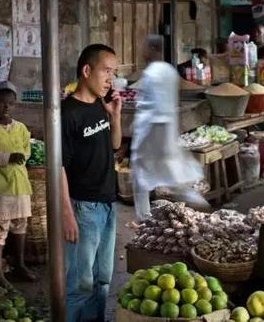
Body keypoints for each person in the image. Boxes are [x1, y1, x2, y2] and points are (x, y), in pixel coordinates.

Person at [61, 44, 122, 322]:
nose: (111, 79)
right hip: (83, 206)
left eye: (114, 73)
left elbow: (115, 145)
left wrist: (115, 115)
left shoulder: (100, 104)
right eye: (106, 71)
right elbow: (59, 166)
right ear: (87, 71)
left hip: (108, 202)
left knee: (103, 278)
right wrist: (67, 214)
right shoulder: (67, 113)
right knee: (80, 282)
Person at [129, 35, 206, 227]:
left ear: (153, 49)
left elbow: (150, 107)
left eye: (145, 47)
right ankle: (193, 198)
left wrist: (136, 128)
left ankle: (144, 218)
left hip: (153, 129)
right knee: (169, 170)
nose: (142, 51)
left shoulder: (152, 73)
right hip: (166, 128)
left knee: (143, 173)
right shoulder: (169, 71)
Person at [0, 81, 35, 288]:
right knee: (0, 228)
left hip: (20, 184)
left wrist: (21, 155)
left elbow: (27, 150)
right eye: (2, 103)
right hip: (0, 185)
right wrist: (7, 157)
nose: (6, 107)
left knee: (20, 224)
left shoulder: (21, 128)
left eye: (10, 103)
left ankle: (19, 264)